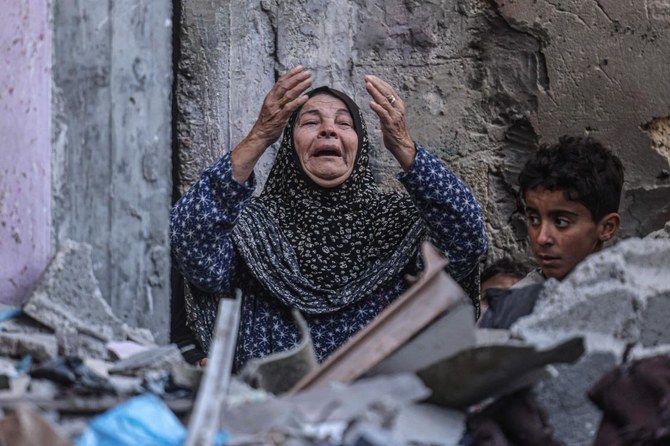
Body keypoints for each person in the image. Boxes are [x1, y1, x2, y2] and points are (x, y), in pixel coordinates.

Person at [170, 66, 488, 370]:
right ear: (289, 146)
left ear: (360, 145)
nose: (328, 130)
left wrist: (404, 147)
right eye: (311, 122)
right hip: (271, 408)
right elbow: (191, 242)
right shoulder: (252, 227)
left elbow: (468, 239)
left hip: (380, 408)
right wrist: (259, 136)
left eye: (344, 124)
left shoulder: (398, 224)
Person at [479, 135, 624, 329]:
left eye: (561, 222)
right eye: (534, 220)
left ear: (607, 228)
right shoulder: (507, 317)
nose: (541, 238)